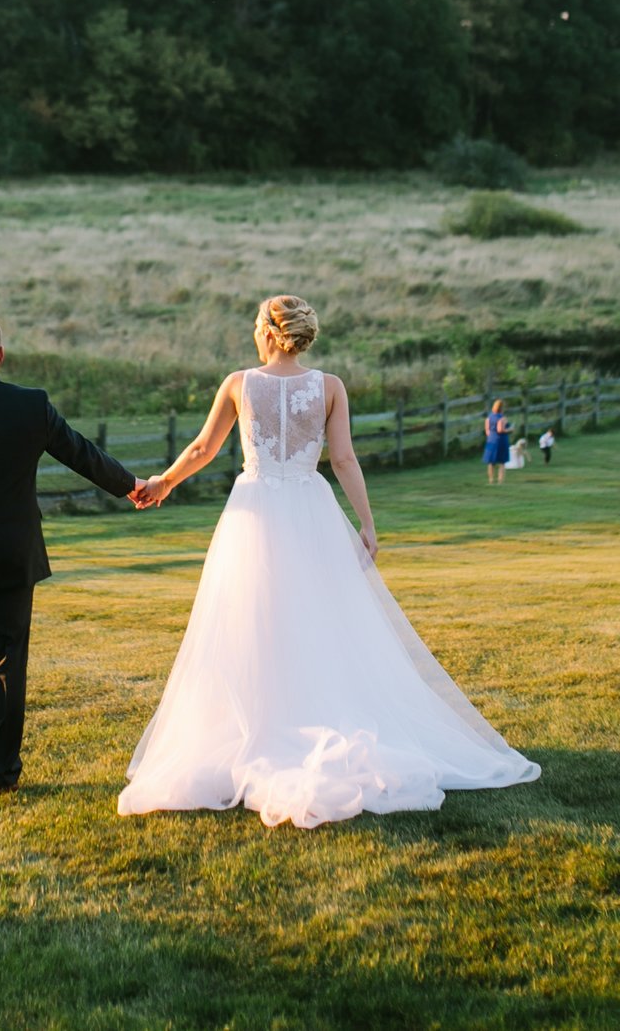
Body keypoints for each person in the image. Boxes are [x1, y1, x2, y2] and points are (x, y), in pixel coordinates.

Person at [118, 295, 541, 828]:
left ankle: (264, 725)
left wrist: (162, 483)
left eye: (256, 327)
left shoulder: (239, 383)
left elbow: (203, 448)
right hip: (311, 509)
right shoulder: (331, 387)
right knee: (318, 619)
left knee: (251, 618)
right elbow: (342, 458)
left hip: (256, 512)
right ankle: (310, 717)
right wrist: (366, 522)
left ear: (270, 335)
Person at [0, 313, 152, 793]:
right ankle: (5, 771)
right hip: (14, 554)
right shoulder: (30, 406)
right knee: (8, 658)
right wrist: (131, 486)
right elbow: (81, 453)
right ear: (0, 354)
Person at [482, 399, 514, 484]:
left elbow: (487, 431)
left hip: (491, 440)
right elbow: (500, 430)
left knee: (491, 462)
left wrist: (491, 436)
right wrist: (510, 429)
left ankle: (491, 479)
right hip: (500, 440)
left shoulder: (489, 417)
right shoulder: (502, 418)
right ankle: (500, 480)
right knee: (502, 462)